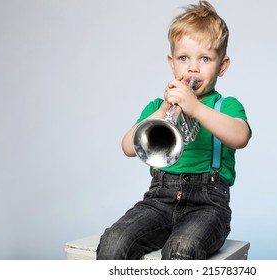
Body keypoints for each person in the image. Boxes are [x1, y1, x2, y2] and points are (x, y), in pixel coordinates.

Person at [96, 0, 251, 260]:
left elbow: (240, 137)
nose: (193, 68)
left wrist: (196, 109)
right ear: (172, 63)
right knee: (113, 242)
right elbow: (127, 147)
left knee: (182, 248)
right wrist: (165, 109)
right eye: (183, 58)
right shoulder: (159, 106)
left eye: (204, 58)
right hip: (158, 199)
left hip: (207, 206)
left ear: (222, 66)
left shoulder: (226, 106)